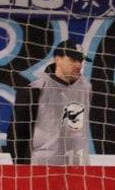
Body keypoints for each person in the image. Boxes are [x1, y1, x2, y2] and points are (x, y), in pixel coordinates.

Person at [8, 38, 93, 166]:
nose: (78, 65)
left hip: (79, 165)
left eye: (80, 61)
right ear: (57, 59)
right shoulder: (35, 89)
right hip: (43, 166)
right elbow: (17, 133)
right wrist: (21, 166)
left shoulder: (86, 88)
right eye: (73, 60)